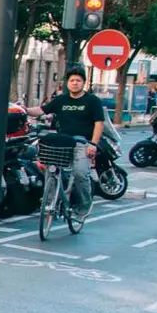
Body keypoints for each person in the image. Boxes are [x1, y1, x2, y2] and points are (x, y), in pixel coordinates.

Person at [40, 65, 108, 216]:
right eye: (72, 80)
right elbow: (41, 110)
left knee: (80, 173)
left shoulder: (92, 101)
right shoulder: (61, 100)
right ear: (67, 83)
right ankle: (50, 202)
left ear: (83, 82)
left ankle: (85, 204)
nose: (75, 83)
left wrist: (93, 144)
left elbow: (99, 124)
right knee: (51, 170)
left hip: (82, 144)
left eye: (78, 80)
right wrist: (23, 109)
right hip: (62, 143)